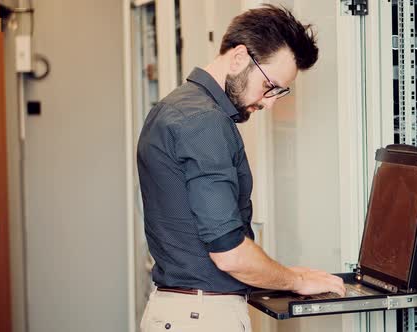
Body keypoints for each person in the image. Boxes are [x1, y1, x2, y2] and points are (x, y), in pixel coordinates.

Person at [137, 4, 345, 332]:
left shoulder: (174, 106)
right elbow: (229, 253)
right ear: (238, 58)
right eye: (269, 86)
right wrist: (296, 281)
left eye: (280, 92)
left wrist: (284, 274)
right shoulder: (205, 121)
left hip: (181, 311)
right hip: (203, 318)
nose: (270, 101)